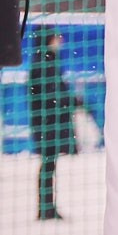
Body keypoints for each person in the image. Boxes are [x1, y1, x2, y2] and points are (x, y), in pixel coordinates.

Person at [28, 31, 80, 222]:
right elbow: (53, 93)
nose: (60, 41)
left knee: (49, 164)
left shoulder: (49, 61)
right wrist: (72, 102)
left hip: (48, 122)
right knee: (48, 164)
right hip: (47, 123)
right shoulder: (44, 63)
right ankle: (46, 208)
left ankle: (47, 207)